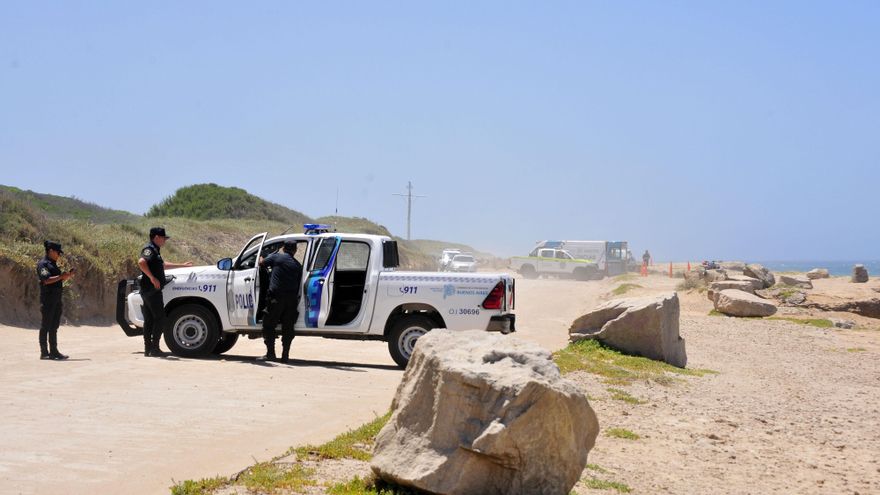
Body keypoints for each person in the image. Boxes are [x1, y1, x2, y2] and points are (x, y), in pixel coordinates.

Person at [137, 227, 192, 357]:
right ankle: (154, 348)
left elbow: (162, 265)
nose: (165, 241)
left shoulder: (155, 250)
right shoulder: (149, 249)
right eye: (163, 238)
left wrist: (182, 265)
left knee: (150, 319)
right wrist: (152, 278)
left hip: (149, 290)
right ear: (156, 237)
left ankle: (148, 349)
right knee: (160, 318)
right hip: (151, 290)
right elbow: (141, 262)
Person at [258, 240, 303, 363]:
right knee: (288, 328)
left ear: (283, 248)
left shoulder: (277, 257)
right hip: (291, 300)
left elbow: (261, 263)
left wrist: (262, 254)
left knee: (268, 325)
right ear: (295, 250)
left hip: (276, 298)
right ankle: (285, 356)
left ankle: (271, 354)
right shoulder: (298, 265)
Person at [36, 240, 74, 360]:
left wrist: (66, 276)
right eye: (58, 252)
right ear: (51, 251)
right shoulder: (43, 264)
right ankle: (44, 352)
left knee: (54, 326)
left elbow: (57, 280)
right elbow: (46, 280)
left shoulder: (53, 264)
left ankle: (54, 351)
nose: (59, 254)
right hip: (48, 299)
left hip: (56, 299)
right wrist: (61, 276)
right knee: (46, 325)